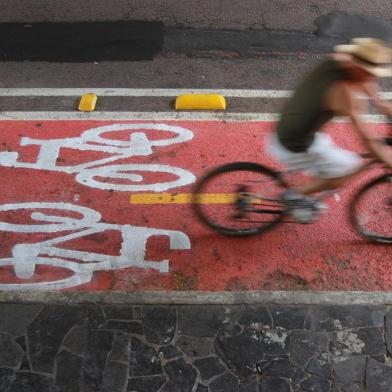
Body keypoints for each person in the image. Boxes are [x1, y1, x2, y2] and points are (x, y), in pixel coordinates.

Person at [267, 37, 392, 223]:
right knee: (348, 169)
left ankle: (311, 183)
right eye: (370, 73)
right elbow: (367, 138)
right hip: (294, 144)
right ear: (359, 69)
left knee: (337, 156)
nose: (372, 78)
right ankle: (293, 195)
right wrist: (387, 161)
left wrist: (385, 107)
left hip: (288, 127)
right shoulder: (342, 93)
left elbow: (370, 89)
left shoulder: (338, 60)